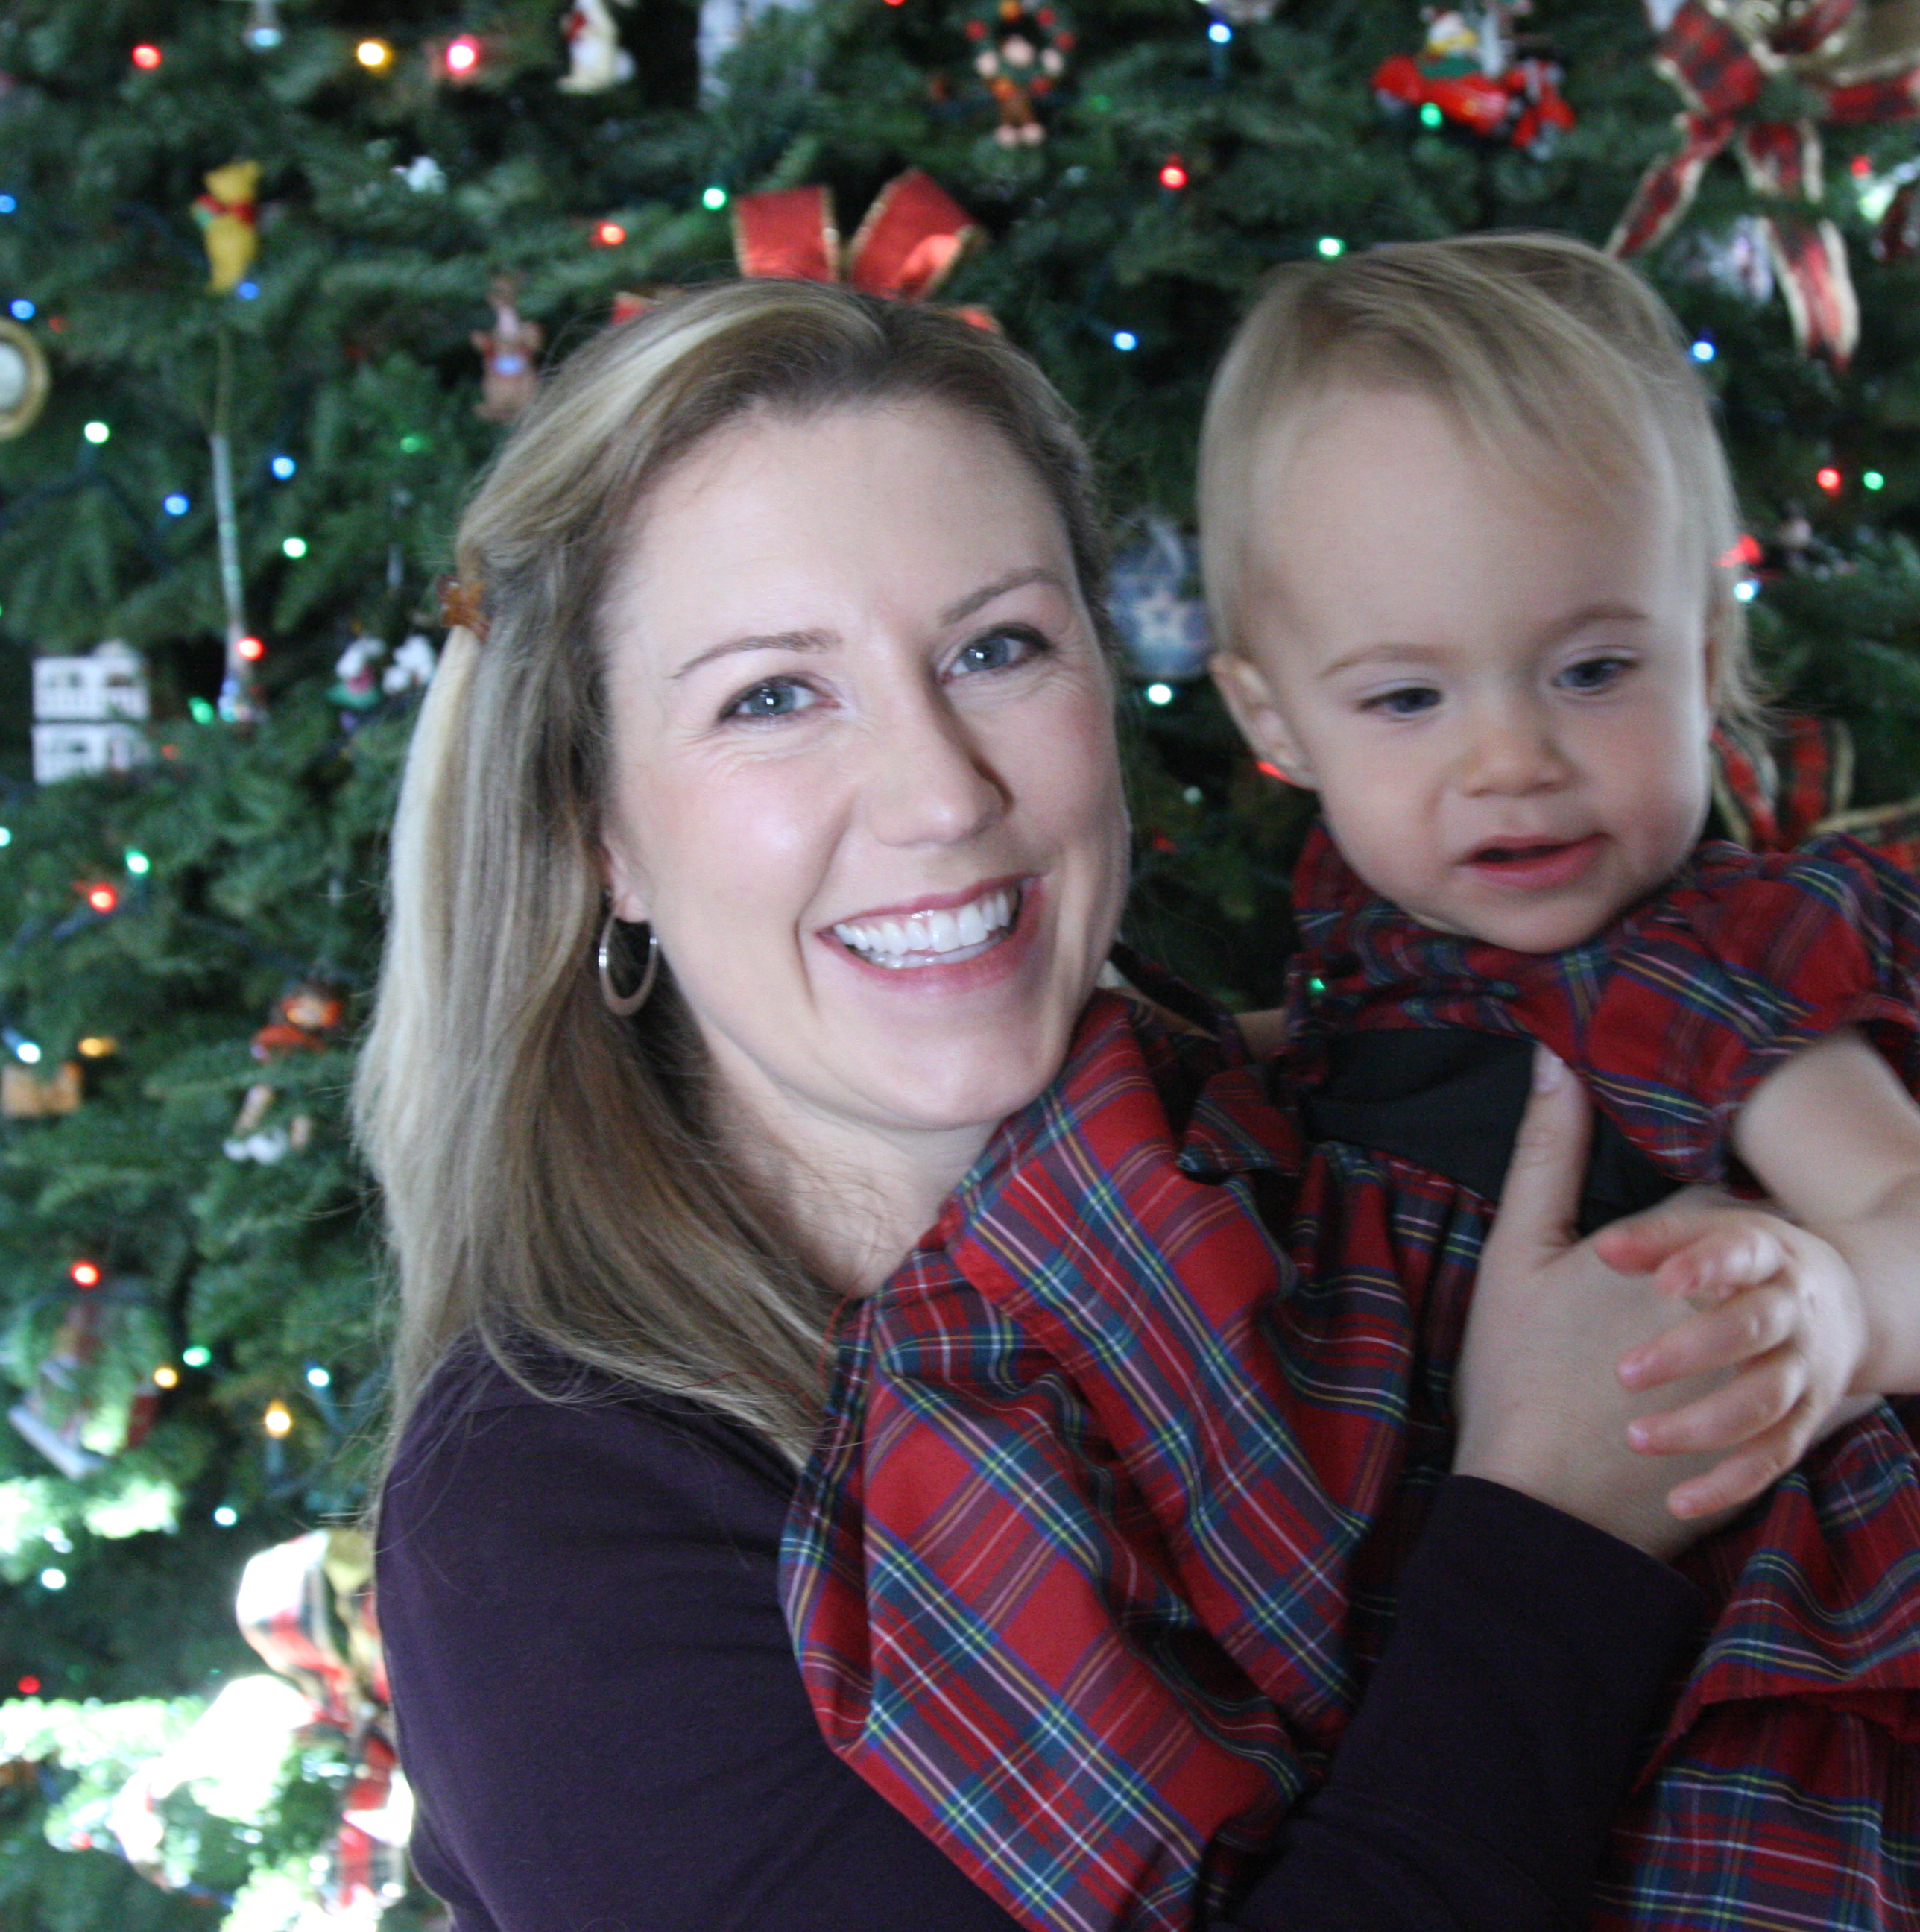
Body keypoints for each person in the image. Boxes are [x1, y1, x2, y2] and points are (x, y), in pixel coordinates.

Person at [792, 233, 1920, 1932]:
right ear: (1272, 719)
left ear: (1706, 646)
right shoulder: (1365, 956)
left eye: (1593, 670)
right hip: (1500, 1583)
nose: (1513, 759)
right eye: (1408, 696)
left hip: (1780, 1619)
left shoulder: (1691, 972)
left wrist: (1846, 1307)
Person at [361, 275, 1755, 1932]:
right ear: (600, 832)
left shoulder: (1364, 1153)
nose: (943, 793)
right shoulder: (546, 1516)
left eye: (996, 648)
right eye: (772, 696)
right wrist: (1559, 1529)